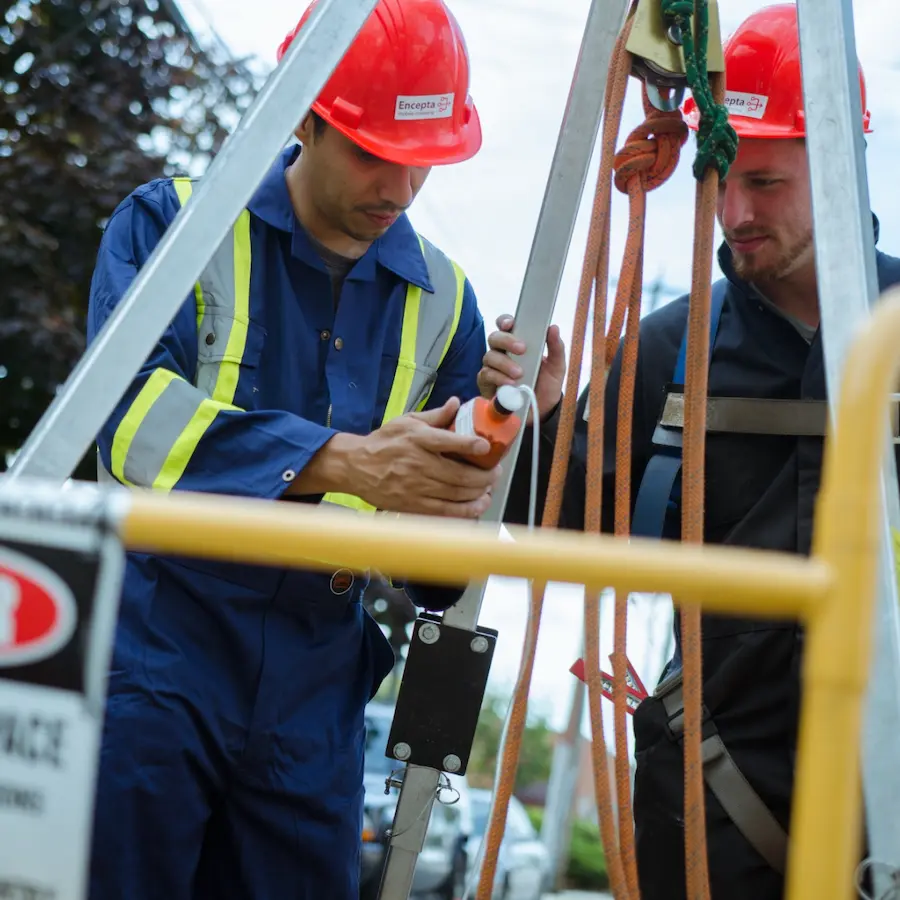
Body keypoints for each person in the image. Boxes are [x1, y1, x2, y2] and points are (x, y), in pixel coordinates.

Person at [479, 4, 900, 899]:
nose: (733, 214)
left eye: (766, 183)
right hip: (713, 812)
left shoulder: (895, 335)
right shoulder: (673, 352)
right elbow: (559, 527)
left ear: (842, 160)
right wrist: (541, 424)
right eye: (721, 177)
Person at [85, 1, 496, 898]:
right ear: (305, 116)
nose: (400, 188)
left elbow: (441, 573)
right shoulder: (173, 225)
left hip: (318, 681)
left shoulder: (449, 303)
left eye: (422, 159)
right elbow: (126, 420)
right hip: (156, 643)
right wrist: (348, 463)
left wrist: (511, 432)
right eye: (373, 152)